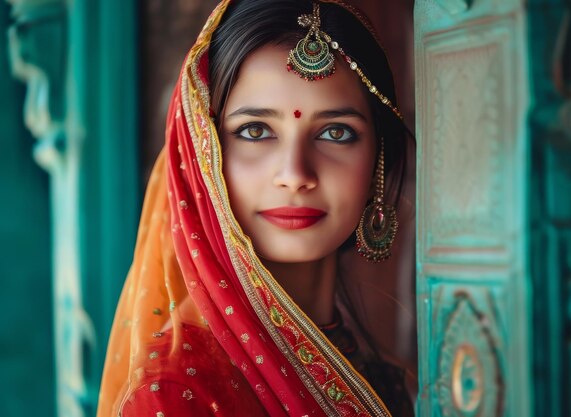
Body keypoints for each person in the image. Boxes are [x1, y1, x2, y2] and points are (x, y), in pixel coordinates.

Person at [97, 0, 416, 416]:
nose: (295, 173)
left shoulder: (386, 377)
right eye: (255, 131)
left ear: (379, 158)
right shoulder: (178, 394)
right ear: (201, 154)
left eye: (336, 132)